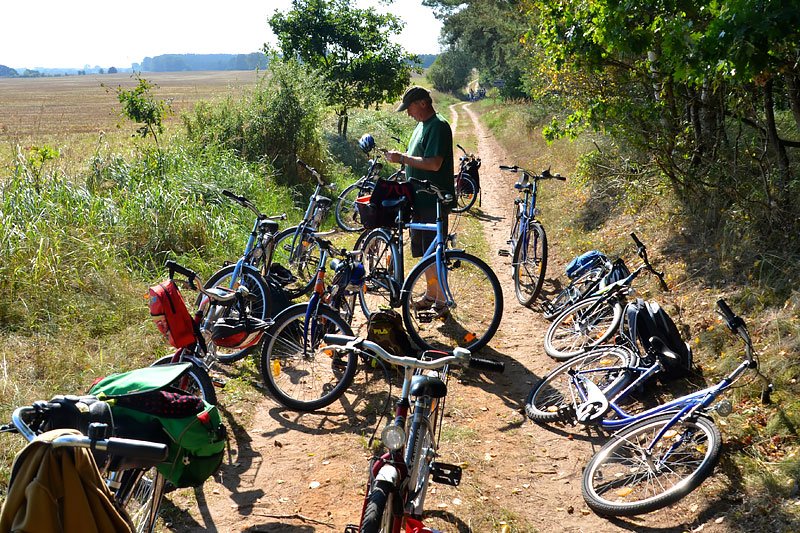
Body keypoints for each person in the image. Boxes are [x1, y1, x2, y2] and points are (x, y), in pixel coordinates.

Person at [384, 86, 454, 313]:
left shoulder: (438, 126)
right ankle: (431, 294)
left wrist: (403, 158)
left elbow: (434, 163)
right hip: (418, 199)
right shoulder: (421, 127)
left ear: (423, 103)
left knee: (435, 253)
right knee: (424, 253)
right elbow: (417, 158)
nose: (408, 113)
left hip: (433, 200)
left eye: (410, 107)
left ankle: (442, 300)